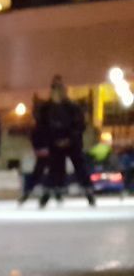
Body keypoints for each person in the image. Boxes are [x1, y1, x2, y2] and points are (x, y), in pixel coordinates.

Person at [33, 75, 95, 208]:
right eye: (55, 89)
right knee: (55, 169)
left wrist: (69, 139)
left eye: (60, 89)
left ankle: (88, 192)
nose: (58, 92)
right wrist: (50, 141)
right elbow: (41, 127)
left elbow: (79, 125)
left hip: (72, 143)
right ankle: (49, 194)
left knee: (79, 167)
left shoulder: (72, 107)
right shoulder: (46, 109)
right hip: (54, 144)